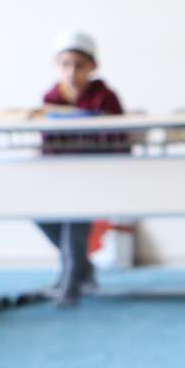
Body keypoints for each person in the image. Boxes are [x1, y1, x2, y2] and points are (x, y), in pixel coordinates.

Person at [39, 30, 125, 306]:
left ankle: (72, 275)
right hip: (60, 174)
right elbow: (48, 144)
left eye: (79, 65)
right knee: (37, 207)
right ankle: (80, 265)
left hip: (97, 174)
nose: (72, 72)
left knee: (76, 205)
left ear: (92, 66)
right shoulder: (51, 98)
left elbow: (119, 141)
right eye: (66, 65)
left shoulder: (106, 98)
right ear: (57, 65)